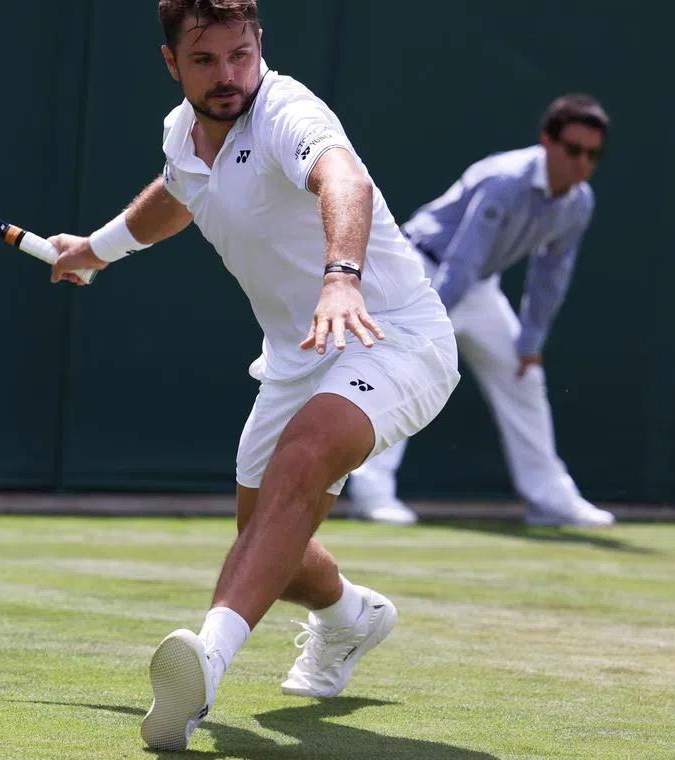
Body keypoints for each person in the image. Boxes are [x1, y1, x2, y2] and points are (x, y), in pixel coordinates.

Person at [46, 0, 459, 752]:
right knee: (269, 539)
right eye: (206, 61)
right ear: (173, 64)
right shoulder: (184, 133)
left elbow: (346, 183)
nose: (229, 74)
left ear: (258, 43)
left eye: (241, 54)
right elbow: (178, 192)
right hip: (297, 355)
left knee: (301, 463)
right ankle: (349, 617)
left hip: (390, 335)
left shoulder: (287, 112)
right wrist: (97, 250)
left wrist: (341, 277)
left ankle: (205, 663)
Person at [346, 94, 616, 529]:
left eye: (593, 155)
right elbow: (462, 259)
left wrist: (531, 341)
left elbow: (552, 273)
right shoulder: (505, 180)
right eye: (573, 150)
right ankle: (372, 494)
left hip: (479, 287)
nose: (582, 163)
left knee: (523, 374)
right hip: (423, 272)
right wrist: (428, 322)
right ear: (547, 141)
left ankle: (551, 499)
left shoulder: (579, 202)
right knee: (404, 373)